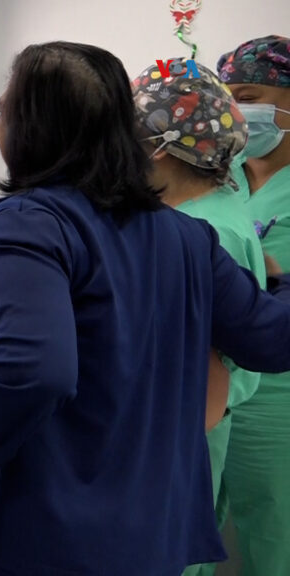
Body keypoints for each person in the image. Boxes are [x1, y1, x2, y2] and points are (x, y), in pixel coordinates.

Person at [0, 41, 290, 576]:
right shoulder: (187, 237)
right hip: (153, 538)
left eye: (4, 107)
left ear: (31, 125)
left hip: (50, 538)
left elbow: (34, 372)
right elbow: (272, 339)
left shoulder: (29, 223)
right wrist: (277, 280)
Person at [131, 59, 261, 576]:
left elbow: (204, 370)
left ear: (160, 144)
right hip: (188, 434)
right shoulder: (205, 210)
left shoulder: (205, 231)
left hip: (179, 440)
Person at [213, 34, 290, 576]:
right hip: (213, 383)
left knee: (274, 528)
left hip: (279, 397)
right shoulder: (219, 171)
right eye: (229, 96)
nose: (240, 111)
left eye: (251, 93)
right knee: (194, 522)